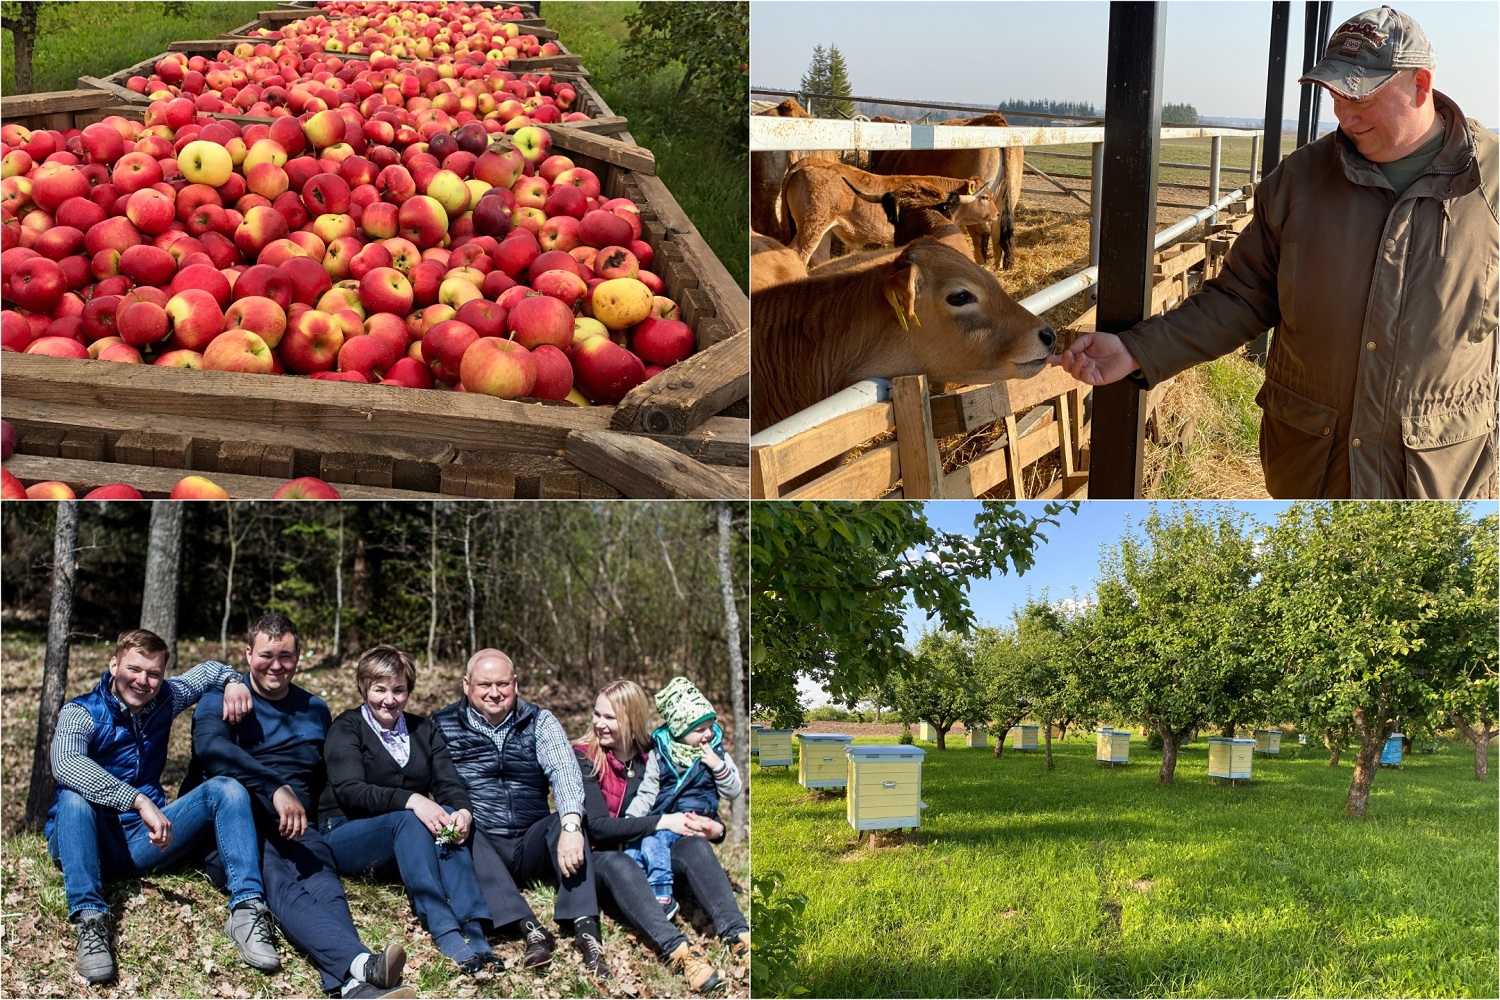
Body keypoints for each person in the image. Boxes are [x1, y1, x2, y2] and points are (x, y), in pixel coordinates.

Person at [1051, 5, 1497, 500]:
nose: (1344, 114)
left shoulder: (1492, 184)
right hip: (1314, 470)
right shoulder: (1299, 181)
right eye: (1334, 94)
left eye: (1361, 96)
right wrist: (1138, 348)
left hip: (1441, 476)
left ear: (1420, 84)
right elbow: (1242, 298)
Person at [181, 613, 414, 999]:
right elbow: (211, 750)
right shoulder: (220, 698)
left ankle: (354, 987)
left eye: (286, 656)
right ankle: (361, 965)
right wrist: (274, 787)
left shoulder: (314, 709)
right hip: (238, 827)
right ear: (247, 653)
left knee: (326, 886)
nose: (276, 665)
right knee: (280, 883)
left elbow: (323, 780)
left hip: (299, 827)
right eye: (266, 655)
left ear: (299, 657)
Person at [46, 628, 279, 985]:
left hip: (143, 842)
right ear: (113, 664)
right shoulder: (81, 712)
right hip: (85, 838)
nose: (143, 681)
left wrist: (234, 680)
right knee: (74, 797)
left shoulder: (165, 699)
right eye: (134, 669)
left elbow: (209, 671)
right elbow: (65, 764)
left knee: (227, 788)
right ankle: (90, 919)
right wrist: (136, 800)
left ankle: (247, 908)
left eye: (154, 673)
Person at [318, 645, 497, 973]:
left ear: (409, 691)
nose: (390, 699)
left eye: (399, 689)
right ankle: (446, 932)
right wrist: (412, 799)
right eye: (380, 689)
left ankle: (474, 927)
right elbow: (350, 789)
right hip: (345, 833)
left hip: (405, 841)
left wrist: (461, 812)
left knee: (444, 818)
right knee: (410, 817)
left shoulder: (423, 729)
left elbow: (449, 783)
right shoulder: (347, 727)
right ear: (364, 688)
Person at [432, 648, 610, 978]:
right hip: (482, 839)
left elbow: (564, 771)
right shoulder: (442, 725)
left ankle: (587, 931)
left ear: (516, 684)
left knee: (568, 821)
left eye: (503, 683)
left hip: (531, 840)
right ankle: (530, 929)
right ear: (466, 685)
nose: (495, 692)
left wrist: (571, 825)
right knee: (464, 833)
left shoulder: (540, 721)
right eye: (485, 684)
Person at [573, 680, 752, 994]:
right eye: (597, 714)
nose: (599, 723)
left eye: (609, 717)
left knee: (694, 844)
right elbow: (599, 827)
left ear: (631, 719)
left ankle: (738, 934)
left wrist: (716, 829)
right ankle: (679, 952)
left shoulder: (654, 755)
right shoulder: (584, 757)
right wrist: (662, 822)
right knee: (619, 863)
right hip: (606, 857)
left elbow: (686, 802)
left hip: (650, 850)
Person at [625, 677, 742, 920]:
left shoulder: (716, 752)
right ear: (679, 730)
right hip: (665, 817)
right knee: (633, 851)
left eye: (710, 726)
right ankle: (636, 893)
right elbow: (647, 792)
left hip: (695, 819)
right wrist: (630, 820)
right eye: (700, 730)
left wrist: (718, 767)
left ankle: (662, 894)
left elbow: (733, 790)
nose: (708, 734)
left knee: (652, 842)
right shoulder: (661, 753)